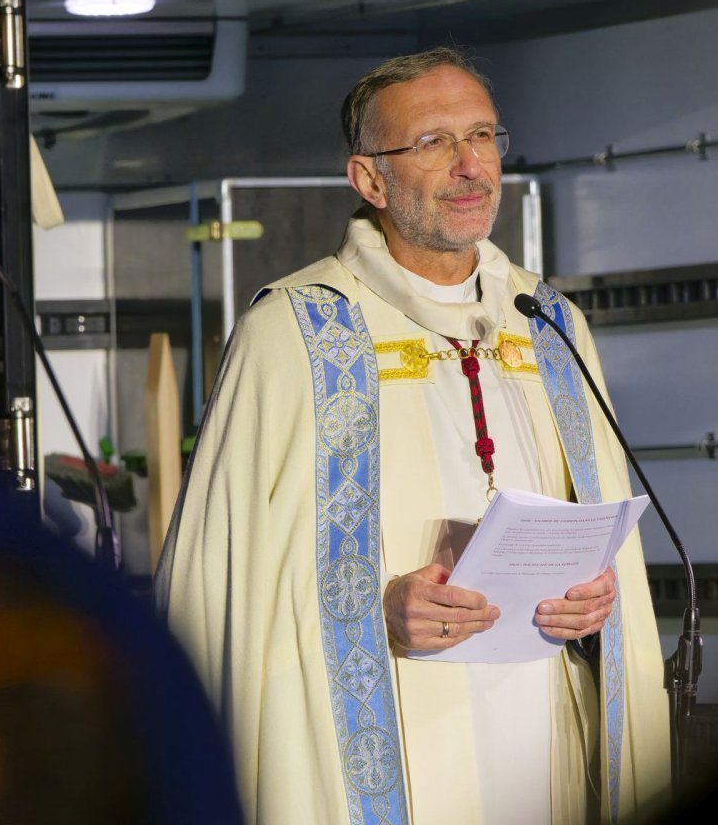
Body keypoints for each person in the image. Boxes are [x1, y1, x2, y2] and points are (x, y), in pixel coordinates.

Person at [154, 46, 670, 825]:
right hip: (390, 723)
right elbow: (223, 590)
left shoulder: (549, 323)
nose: (470, 166)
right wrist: (375, 608)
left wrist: (598, 602)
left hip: (544, 719)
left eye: (483, 137)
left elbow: (596, 525)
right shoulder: (296, 331)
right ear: (368, 179)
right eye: (433, 142)